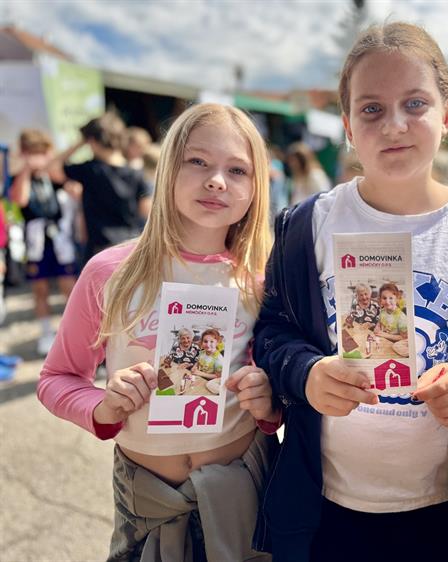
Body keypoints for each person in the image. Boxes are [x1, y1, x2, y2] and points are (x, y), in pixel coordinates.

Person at [252, 22, 448, 562]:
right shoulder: (306, 225)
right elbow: (271, 331)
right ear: (348, 127)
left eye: (415, 104)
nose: (394, 124)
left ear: (447, 116)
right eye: (372, 108)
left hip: (444, 512)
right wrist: (307, 373)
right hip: (327, 508)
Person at [37, 103, 280, 561]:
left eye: (237, 170)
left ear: (256, 187)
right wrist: (103, 406)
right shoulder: (111, 272)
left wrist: (270, 405)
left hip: (245, 487)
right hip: (145, 499)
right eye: (198, 161)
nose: (216, 180)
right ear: (168, 168)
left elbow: (277, 387)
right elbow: (56, 378)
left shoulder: (262, 280)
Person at [46, 113, 153, 263]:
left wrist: (79, 143)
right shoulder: (137, 175)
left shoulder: (90, 170)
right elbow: (147, 213)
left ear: (92, 141)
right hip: (131, 249)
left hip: (100, 251)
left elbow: (51, 168)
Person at [9, 129, 80, 355]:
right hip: (35, 240)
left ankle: (74, 332)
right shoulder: (20, 176)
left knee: (70, 287)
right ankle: (46, 332)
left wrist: (49, 162)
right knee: (40, 289)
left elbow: (68, 183)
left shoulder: (53, 174)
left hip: (60, 238)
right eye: (32, 152)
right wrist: (27, 168)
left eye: (40, 152)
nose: (36, 157)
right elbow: (20, 199)